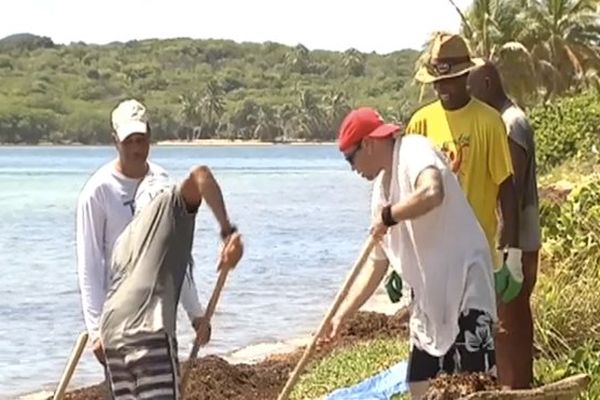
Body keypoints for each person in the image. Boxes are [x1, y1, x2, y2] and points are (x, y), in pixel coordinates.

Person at [322, 107, 498, 399]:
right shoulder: (381, 190)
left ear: (368, 143)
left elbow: (432, 192)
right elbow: (376, 263)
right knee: (420, 385)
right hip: (429, 297)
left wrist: (391, 215)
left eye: (349, 158)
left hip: (466, 282)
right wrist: (342, 315)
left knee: (475, 384)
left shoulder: (414, 150)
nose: (351, 168)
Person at [76, 99, 208, 393]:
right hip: (118, 328)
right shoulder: (97, 193)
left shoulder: (161, 183)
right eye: (129, 142)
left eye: (142, 140)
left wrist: (195, 312)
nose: (136, 149)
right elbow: (89, 267)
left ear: (150, 136)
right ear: (115, 141)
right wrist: (95, 330)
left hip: (157, 324)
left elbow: (176, 255)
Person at [100, 162, 243, 400]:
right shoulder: (169, 206)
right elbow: (201, 175)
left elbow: (171, 275)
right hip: (148, 332)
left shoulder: (123, 241)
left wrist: (197, 317)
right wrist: (228, 232)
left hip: (112, 336)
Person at [405, 33, 523, 315]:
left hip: (477, 261)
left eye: (450, 79)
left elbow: (507, 191)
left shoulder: (489, 122)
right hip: (430, 262)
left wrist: (512, 257)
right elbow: (406, 194)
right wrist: (399, 258)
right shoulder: (420, 123)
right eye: (437, 81)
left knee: (474, 352)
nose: (443, 87)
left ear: (466, 76)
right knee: (431, 350)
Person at [468, 61, 542, 389]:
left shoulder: (511, 124)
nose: (467, 96)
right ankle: (515, 387)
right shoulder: (503, 122)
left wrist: (504, 251)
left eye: (470, 87)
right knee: (508, 324)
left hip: (515, 243)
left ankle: (517, 390)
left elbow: (507, 192)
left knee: (508, 326)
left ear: (486, 82)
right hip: (513, 243)